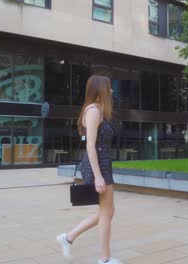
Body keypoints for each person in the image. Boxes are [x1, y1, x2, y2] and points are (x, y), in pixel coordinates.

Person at [56, 75, 121, 264]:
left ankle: (68, 238)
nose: (111, 91)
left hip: (103, 164)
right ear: (100, 89)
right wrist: (99, 177)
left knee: (106, 212)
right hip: (97, 167)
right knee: (107, 213)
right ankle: (104, 259)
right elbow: (90, 146)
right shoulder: (93, 111)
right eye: (109, 88)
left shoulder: (101, 111)